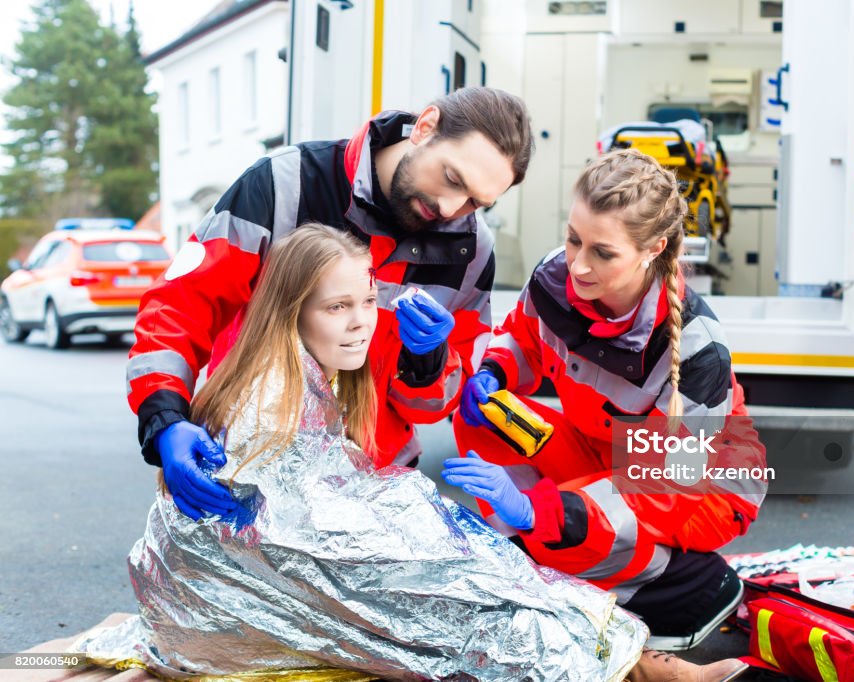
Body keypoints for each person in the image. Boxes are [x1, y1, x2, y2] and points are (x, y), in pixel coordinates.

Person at [78, 224, 745, 682]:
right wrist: (412, 515)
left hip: (283, 551)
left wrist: (429, 367)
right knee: (464, 587)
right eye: (339, 306)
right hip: (229, 589)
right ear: (291, 311)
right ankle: (638, 662)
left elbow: (392, 433)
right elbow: (284, 522)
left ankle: (630, 654)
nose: (363, 319)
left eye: (368, 300)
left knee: (477, 561)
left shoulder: (696, 354)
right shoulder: (269, 387)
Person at [126, 86, 532, 522]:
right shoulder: (286, 184)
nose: (452, 207)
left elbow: (435, 405)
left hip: (372, 489)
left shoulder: (471, 248)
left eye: (475, 202)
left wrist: (427, 361)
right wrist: (165, 417)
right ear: (426, 126)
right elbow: (182, 305)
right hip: (248, 467)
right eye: (452, 178)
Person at [445, 148, 767, 652]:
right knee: (489, 418)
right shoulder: (555, 277)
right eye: (574, 239)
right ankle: (534, 555)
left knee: (567, 526)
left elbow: (666, 488)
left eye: (603, 252)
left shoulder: (698, 352)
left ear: (654, 248)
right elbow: (523, 339)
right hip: (602, 446)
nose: (578, 264)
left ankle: (685, 588)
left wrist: (545, 511)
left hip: (701, 489)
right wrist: (493, 371)